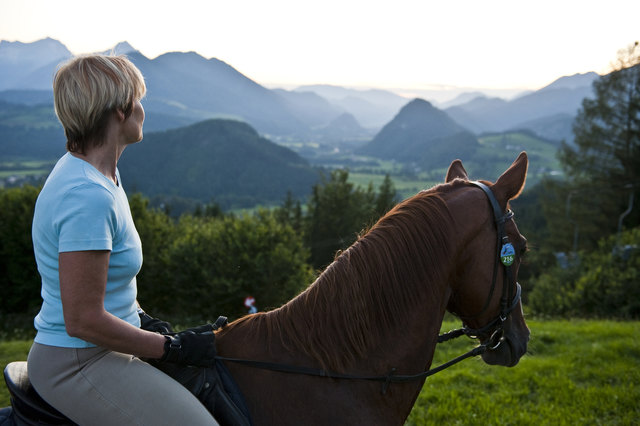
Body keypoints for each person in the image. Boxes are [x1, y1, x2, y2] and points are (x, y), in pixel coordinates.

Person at [27, 54, 219, 425]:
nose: (143, 110)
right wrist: (172, 348)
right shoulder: (87, 195)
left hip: (101, 349)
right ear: (119, 109)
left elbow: (109, 286)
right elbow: (83, 320)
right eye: (138, 100)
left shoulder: (102, 176)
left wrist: (142, 319)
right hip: (79, 361)